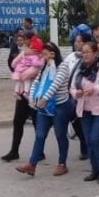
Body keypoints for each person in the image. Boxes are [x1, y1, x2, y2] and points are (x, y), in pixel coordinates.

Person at [15, 42, 71, 177]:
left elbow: (55, 85)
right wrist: (31, 97)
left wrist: (45, 99)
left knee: (60, 135)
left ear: (53, 54)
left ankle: (62, 163)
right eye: (42, 55)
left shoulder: (62, 67)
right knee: (40, 135)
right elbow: (36, 83)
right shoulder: (44, 67)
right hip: (44, 107)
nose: (43, 57)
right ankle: (32, 164)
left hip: (59, 106)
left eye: (45, 55)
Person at [70, 41, 99, 184]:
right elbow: (72, 86)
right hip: (85, 109)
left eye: (87, 51)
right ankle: (94, 170)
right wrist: (75, 93)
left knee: (96, 139)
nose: (85, 55)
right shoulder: (81, 68)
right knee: (89, 141)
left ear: (96, 52)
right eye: (83, 52)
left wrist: (95, 89)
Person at [1, 32, 39, 162]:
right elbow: (13, 64)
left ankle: (40, 151)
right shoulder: (22, 52)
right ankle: (14, 150)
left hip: (34, 93)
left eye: (27, 39)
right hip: (22, 92)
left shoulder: (37, 52)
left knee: (37, 122)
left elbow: (36, 69)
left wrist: (23, 74)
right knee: (18, 121)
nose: (24, 41)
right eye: (23, 39)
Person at [63, 32, 92, 160]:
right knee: (74, 121)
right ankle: (84, 143)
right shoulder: (70, 57)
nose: (77, 44)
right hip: (70, 93)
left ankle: (87, 148)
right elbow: (63, 71)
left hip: (84, 94)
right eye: (76, 41)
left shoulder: (90, 59)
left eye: (80, 41)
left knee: (83, 120)